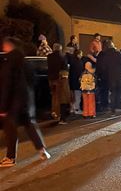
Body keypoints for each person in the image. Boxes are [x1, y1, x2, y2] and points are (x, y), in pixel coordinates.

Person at [0, 37, 50, 167]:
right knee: (29, 124)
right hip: (27, 99)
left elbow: (7, 84)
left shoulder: (9, 61)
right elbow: (33, 80)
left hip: (14, 102)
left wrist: (3, 107)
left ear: (8, 46)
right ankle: (42, 150)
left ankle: (10, 158)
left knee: (10, 128)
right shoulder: (25, 61)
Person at [102, 40, 121, 115]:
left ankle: (113, 110)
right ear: (112, 45)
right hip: (120, 76)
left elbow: (104, 67)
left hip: (111, 77)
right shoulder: (118, 53)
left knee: (113, 93)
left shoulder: (106, 55)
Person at [47, 43, 70, 124]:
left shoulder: (49, 57)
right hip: (60, 80)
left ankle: (55, 114)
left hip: (51, 80)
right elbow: (65, 69)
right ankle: (62, 118)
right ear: (60, 49)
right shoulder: (62, 56)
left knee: (54, 98)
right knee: (62, 98)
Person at [95, 40, 110, 112]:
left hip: (101, 76)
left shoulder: (101, 54)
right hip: (105, 76)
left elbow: (98, 65)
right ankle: (104, 105)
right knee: (105, 91)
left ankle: (103, 105)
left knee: (103, 91)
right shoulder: (106, 54)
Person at [68, 49, 84, 114]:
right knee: (78, 95)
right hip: (77, 82)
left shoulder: (71, 61)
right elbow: (80, 72)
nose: (82, 55)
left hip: (71, 81)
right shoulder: (79, 62)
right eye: (81, 54)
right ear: (78, 54)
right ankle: (77, 109)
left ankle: (72, 108)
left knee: (72, 96)